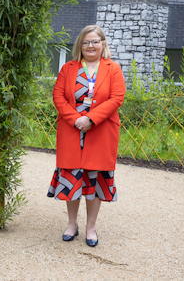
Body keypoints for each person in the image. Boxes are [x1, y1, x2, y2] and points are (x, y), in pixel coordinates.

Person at [48, 25, 125, 247]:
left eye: (95, 41)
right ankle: (72, 224)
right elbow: (58, 96)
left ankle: (91, 227)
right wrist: (75, 119)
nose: (90, 46)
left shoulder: (113, 68)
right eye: (85, 42)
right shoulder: (68, 68)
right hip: (72, 130)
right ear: (79, 45)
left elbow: (116, 98)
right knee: (72, 177)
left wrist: (91, 119)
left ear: (103, 44)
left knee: (94, 178)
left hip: (101, 130)